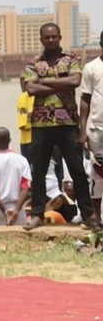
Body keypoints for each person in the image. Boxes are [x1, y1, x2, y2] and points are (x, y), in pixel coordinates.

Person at [21, 23, 98, 231]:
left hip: (68, 124)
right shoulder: (33, 63)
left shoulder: (71, 59)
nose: (51, 40)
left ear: (60, 37)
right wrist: (58, 82)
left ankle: (88, 216)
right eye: (47, 37)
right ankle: (37, 214)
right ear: (41, 40)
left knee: (77, 171)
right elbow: (29, 87)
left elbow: (74, 81)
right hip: (41, 124)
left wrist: (44, 80)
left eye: (54, 37)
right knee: (38, 171)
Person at [79, 30, 103, 229]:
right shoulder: (91, 68)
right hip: (96, 129)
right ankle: (97, 217)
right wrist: (82, 130)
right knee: (97, 173)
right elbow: (85, 99)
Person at [17, 90, 34, 163]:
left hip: (30, 141)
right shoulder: (25, 97)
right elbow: (23, 125)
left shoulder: (25, 96)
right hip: (28, 140)